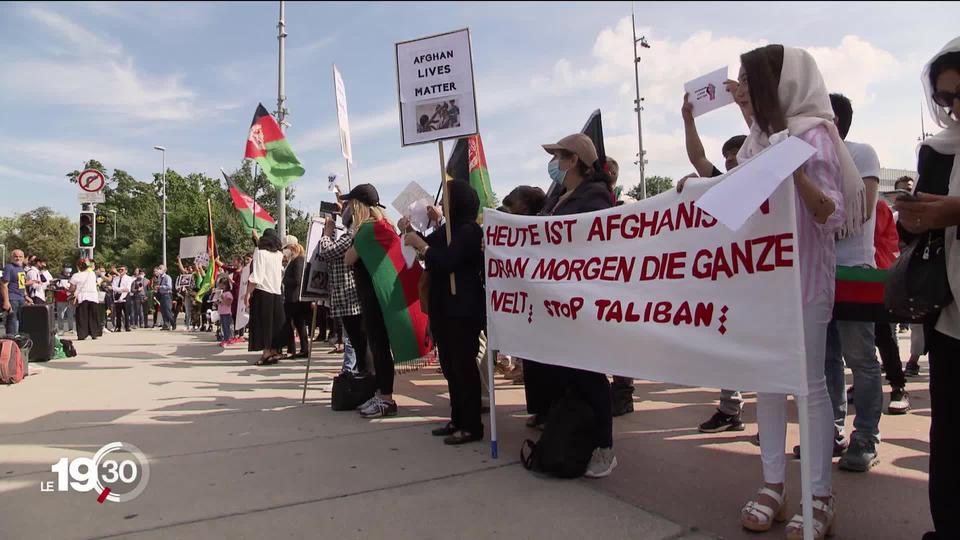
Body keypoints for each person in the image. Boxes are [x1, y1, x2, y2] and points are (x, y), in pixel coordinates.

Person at [731, 45, 865, 538]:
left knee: (808, 385)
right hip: (765, 283)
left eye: (749, 79)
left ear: (777, 81)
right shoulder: (756, 142)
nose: (743, 87)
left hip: (805, 278)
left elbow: (831, 214)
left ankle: (819, 494)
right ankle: (773, 484)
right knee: (767, 378)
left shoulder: (815, 136)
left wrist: (795, 172)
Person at [895, 37, 960, 540]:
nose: (955, 107)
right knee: (951, 434)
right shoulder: (937, 150)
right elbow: (919, 229)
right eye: (946, 97)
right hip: (949, 313)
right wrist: (914, 218)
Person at [814, 92, 884, 473]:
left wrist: (817, 219)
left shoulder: (862, 154)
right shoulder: (810, 162)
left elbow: (860, 213)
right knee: (827, 361)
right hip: (820, 275)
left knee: (860, 359)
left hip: (854, 271)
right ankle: (831, 431)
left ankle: (866, 437)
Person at [541, 133, 618, 478]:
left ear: (573, 160)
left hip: (584, 300)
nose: (554, 163)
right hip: (562, 301)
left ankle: (604, 448)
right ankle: (581, 440)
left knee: (590, 376)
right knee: (571, 375)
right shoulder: (562, 196)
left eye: (558, 156)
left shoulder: (595, 198)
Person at [678, 92, 753, 433]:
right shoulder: (720, 183)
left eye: (737, 153)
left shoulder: (767, 182)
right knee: (726, 342)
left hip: (765, 278)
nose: (731, 160)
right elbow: (697, 157)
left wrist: (743, 104)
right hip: (732, 278)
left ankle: (773, 418)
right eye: (727, 156)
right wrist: (688, 120)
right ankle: (730, 408)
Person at [404, 180, 486, 445]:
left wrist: (422, 246)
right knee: (450, 368)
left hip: (462, 308)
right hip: (443, 308)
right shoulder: (448, 230)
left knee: (464, 368)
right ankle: (457, 418)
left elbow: (445, 260)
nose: (442, 204)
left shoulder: (469, 231)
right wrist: (410, 231)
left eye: (448, 198)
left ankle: (472, 425)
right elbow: (430, 245)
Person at [343, 184, 400, 418]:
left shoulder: (367, 230)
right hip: (381, 296)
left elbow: (348, 259)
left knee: (379, 348)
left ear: (357, 205)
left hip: (373, 297)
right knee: (379, 348)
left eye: (349, 204)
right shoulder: (385, 226)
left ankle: (385, 398)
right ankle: (382, 394)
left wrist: (352, 234)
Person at [318, 209, 367, 375]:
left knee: (354, 340)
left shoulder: (352, 235)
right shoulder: (348, 234)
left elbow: (328, 251)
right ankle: (353, 373)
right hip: (345, 297)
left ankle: (353, 374)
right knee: (352, 339)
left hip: (350, 297)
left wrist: (326, 233)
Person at [873, 194, 910, 414]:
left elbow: (887, 242)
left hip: (876, 277)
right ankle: (862, 385)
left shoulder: (878, 207)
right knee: (853, 341)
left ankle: (898, 386)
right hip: (847, 275)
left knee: (884, 335)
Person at [245, 228, 285, 365]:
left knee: (264, 324)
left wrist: (248, 293)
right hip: (276, 292)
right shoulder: (279, 255)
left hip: (263, 292)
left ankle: (266, 353)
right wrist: (256, 239)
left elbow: (257, 275)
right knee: (274, 324)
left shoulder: (260, 253)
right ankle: (274, 351)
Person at [280, 235, 311, 358]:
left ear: (292, 248)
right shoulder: (295, 260)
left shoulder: (298, 260)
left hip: (294, 298)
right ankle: (302, 349)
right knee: (299, 324)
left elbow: (298, 280)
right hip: (294, 298)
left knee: (290, 323)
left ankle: (292, 349)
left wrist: (285, 280)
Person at [2, 250, 34, 334]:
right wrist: (6, 301)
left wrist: (26, 296)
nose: (18, 258)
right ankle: (11, 342)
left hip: (21, 299)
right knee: (12, 322)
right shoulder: (9, 267)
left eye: (20, 257)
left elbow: (21, 284)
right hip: (12, 299)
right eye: (16, 256)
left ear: (23, 258)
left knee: (21, 323)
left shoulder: (21, 269)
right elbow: (3, 285)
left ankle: (19, 343)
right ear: (11, 257)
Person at [70, 259, 102, 340]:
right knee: (93, 316)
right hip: (93, 296)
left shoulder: (76, 275)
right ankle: (94, 333)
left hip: (82, 297)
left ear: (78, 267)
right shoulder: (92, 274)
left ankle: (82, 334)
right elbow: (90, 266)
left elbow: (72, 288)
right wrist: (86, 260)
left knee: (82, 316)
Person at [112, 266, 134, 332]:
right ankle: (118, 327)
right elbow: (113, 287)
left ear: (126, 271)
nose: (120, 271)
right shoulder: (116, 278)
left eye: (122, 269)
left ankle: (127, 326)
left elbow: (127, 289)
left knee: (126, 312)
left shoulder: (128, 278)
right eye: (119, 269)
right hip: (117, 296)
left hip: (125, 296)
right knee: (118, 313)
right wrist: (121, 289)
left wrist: (118, 289)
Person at [54, 269, 75, 335]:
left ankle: (71, 329)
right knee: (61, 315)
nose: (68, 274)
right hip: (61, 299)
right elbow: (55, 288)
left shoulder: (73, 278)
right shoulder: (58, 278)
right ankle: (61, 329)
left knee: (71, 315)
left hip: (70, 299)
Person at [155, 265, 175, 331]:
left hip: (167, 295)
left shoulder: (167, 277)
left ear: (164, 270)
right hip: (162, 295)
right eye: (159, 268)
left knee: (167, 310)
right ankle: (166, 325)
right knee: (163, 310)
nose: (159, 270)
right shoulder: (159, 277)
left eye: (160, 268)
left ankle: (173, 323)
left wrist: (160, 287)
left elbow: (169, 286)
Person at [217, 278, 234, 347]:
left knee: (227, 327)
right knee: (223, 327)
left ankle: (227, 339)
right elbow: (220, 303)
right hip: (221, 313)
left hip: (227, 313)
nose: (220, 286)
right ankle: (226, 339)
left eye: (222, 285)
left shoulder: (228, 293)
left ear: (226, 285)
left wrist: (222, 298)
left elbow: (228, 303)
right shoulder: (222, 293)